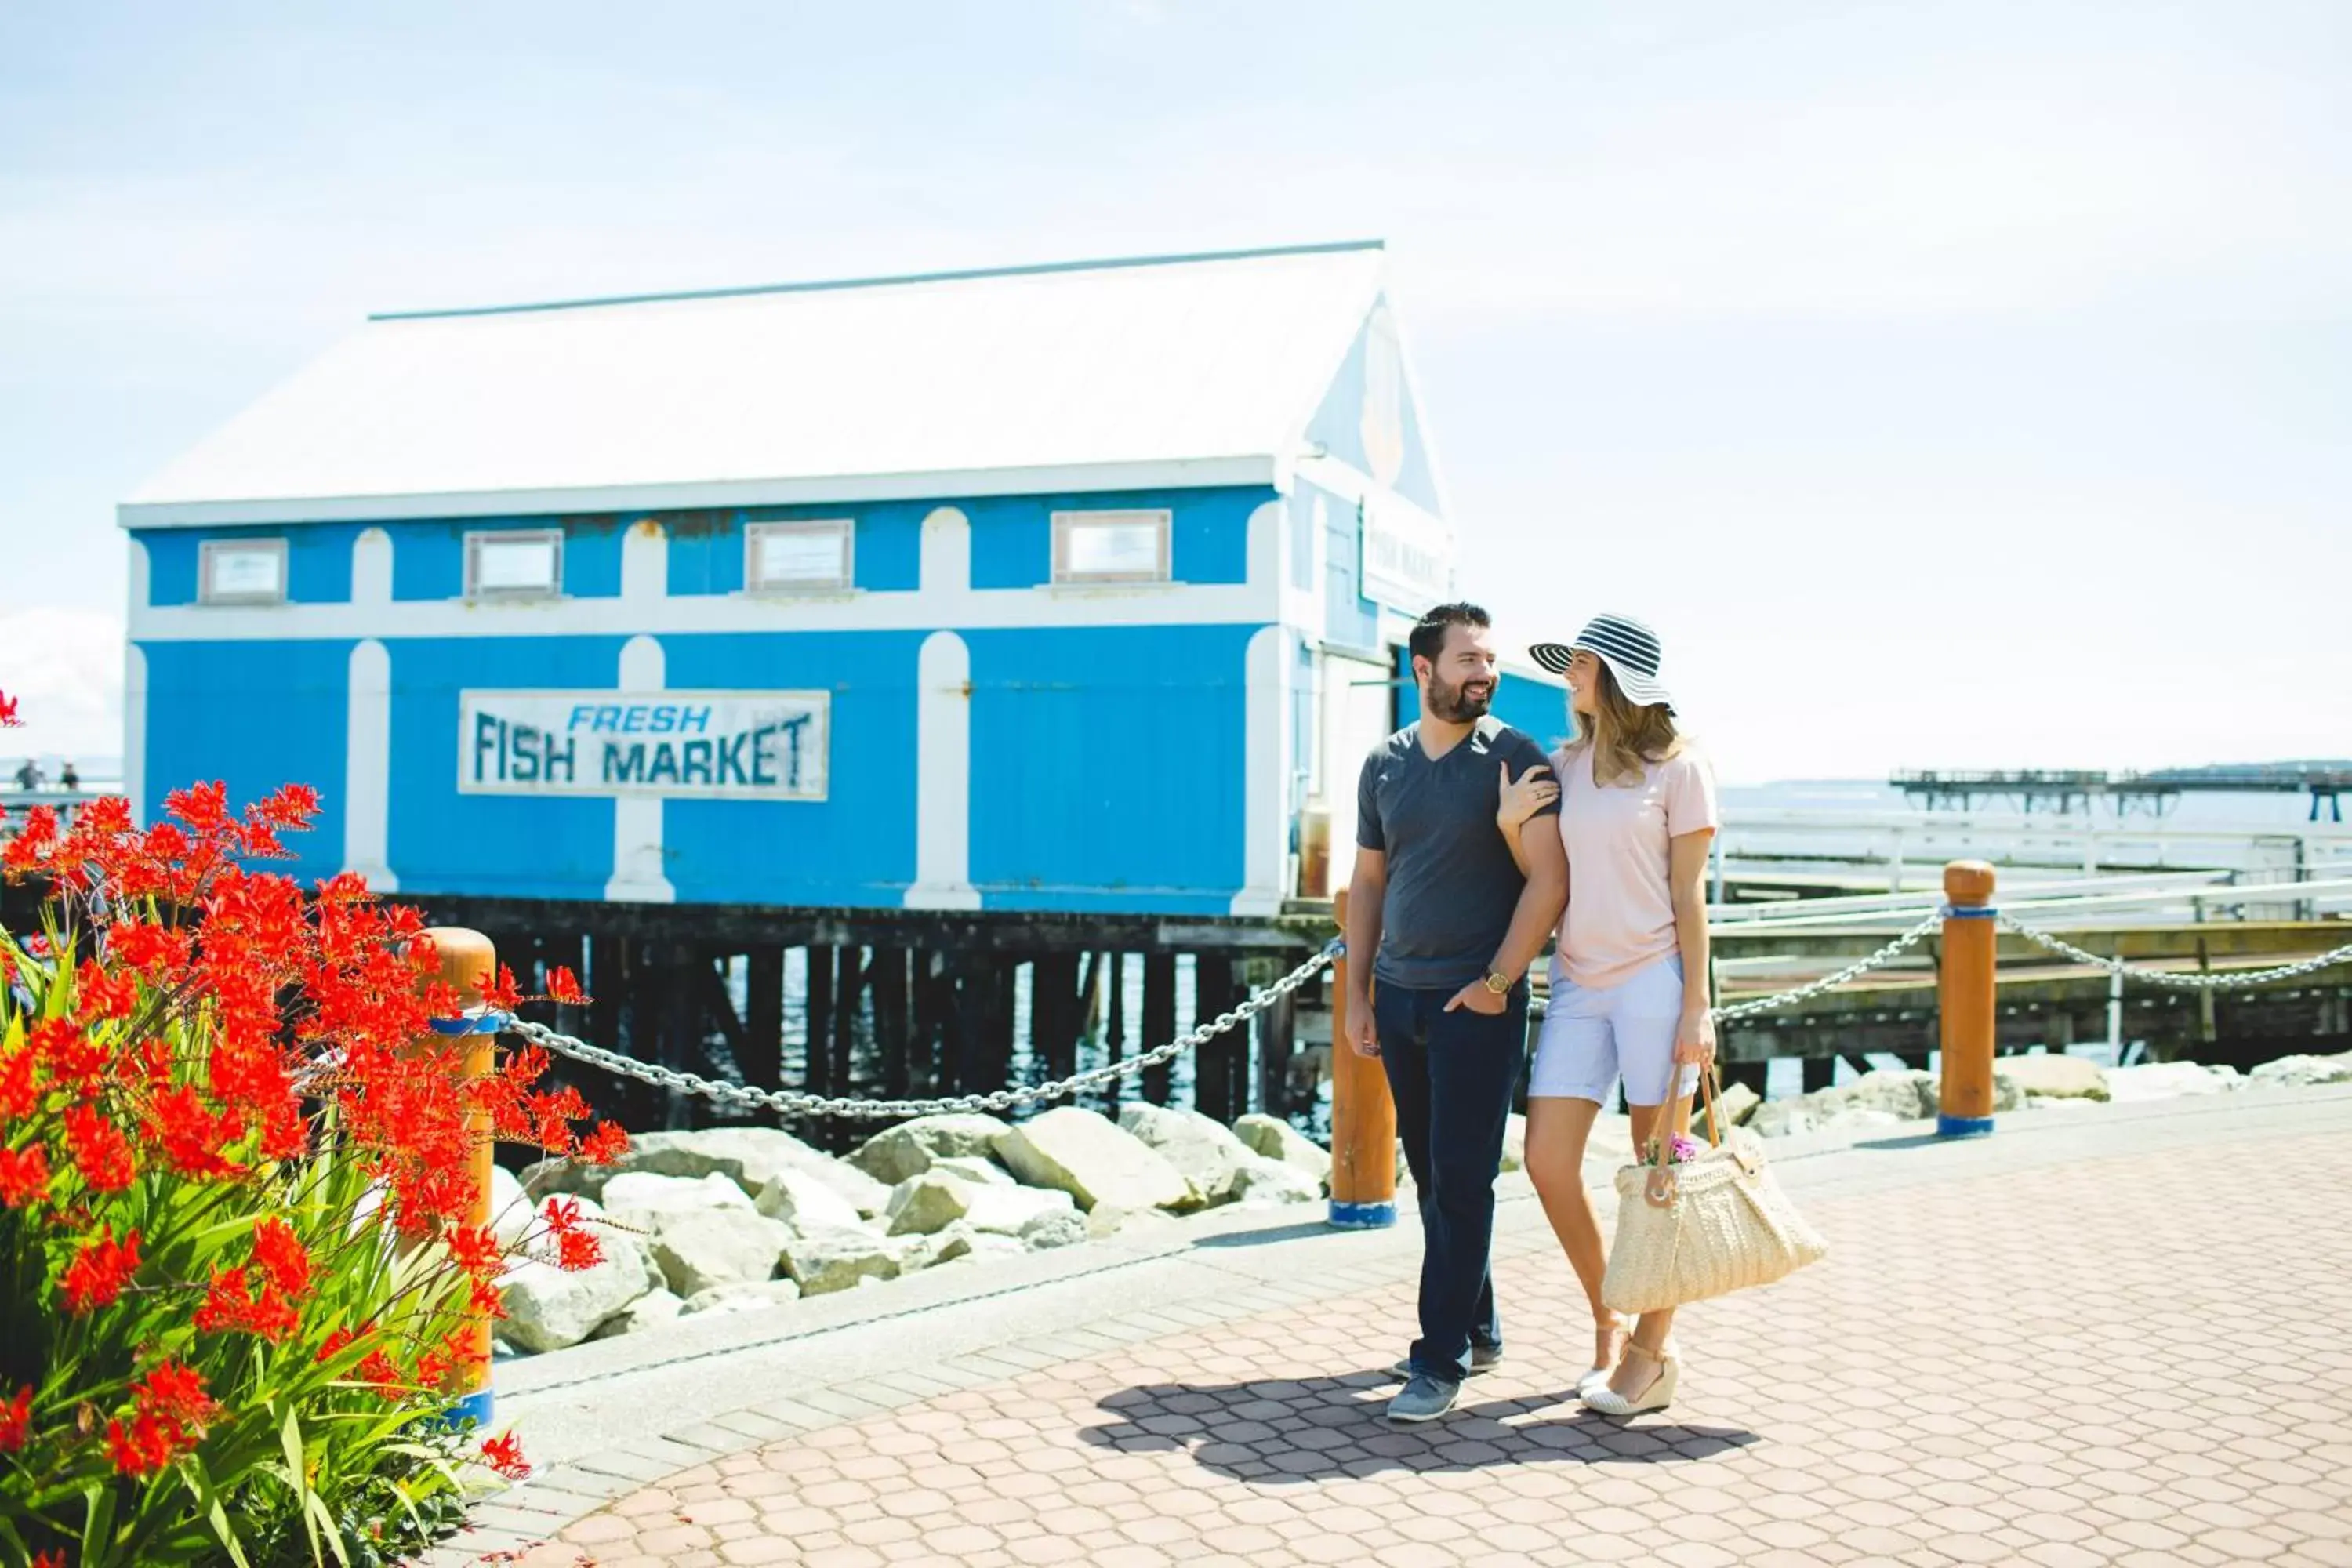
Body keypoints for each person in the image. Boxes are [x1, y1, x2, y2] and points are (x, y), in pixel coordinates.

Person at [1344, 601, 1568, 1424]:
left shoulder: (1516, 757)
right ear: (1424, 669)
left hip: (1480, 1002)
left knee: (1465, 1179)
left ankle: (1437, 1359)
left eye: (1490, 659)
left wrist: (1499, 982)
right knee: (1436, 1179)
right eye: (1468, 659)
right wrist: (1359, 993)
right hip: (1401, 998)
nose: (1485, 672)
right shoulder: (1385, 765)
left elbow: (1549, 880)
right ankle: (1479, 1325)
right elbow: (1368, 884)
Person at [1501, 612, 1719, 1417]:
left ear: (1618, 677)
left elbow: (1689, 897)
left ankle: (1651, 1352)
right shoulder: (1563, 765)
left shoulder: (1680, 769)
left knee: (1661, 1175)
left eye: (1582, 663)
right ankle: (1609, 1313)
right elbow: (1544, 875)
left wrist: (1697, 1006)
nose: (1569, 677)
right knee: (1548, 1159)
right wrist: (1508, 825)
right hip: (1579, 984)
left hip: (1655, 981)